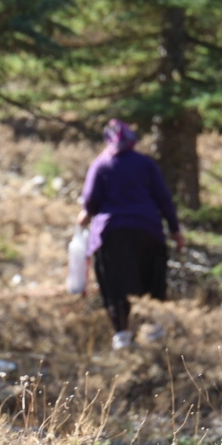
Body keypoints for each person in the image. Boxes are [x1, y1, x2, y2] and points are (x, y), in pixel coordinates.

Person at [76, 120, 183, 350]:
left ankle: (122, 335)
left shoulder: (101, 164)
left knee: (115, 285)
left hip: (111, 233)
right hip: (148, 230)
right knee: (151, 283)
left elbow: (90, 200)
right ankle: (153, 333)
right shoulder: (146, 164)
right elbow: (164, 200)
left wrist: (86, 214)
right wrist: (175, 231)